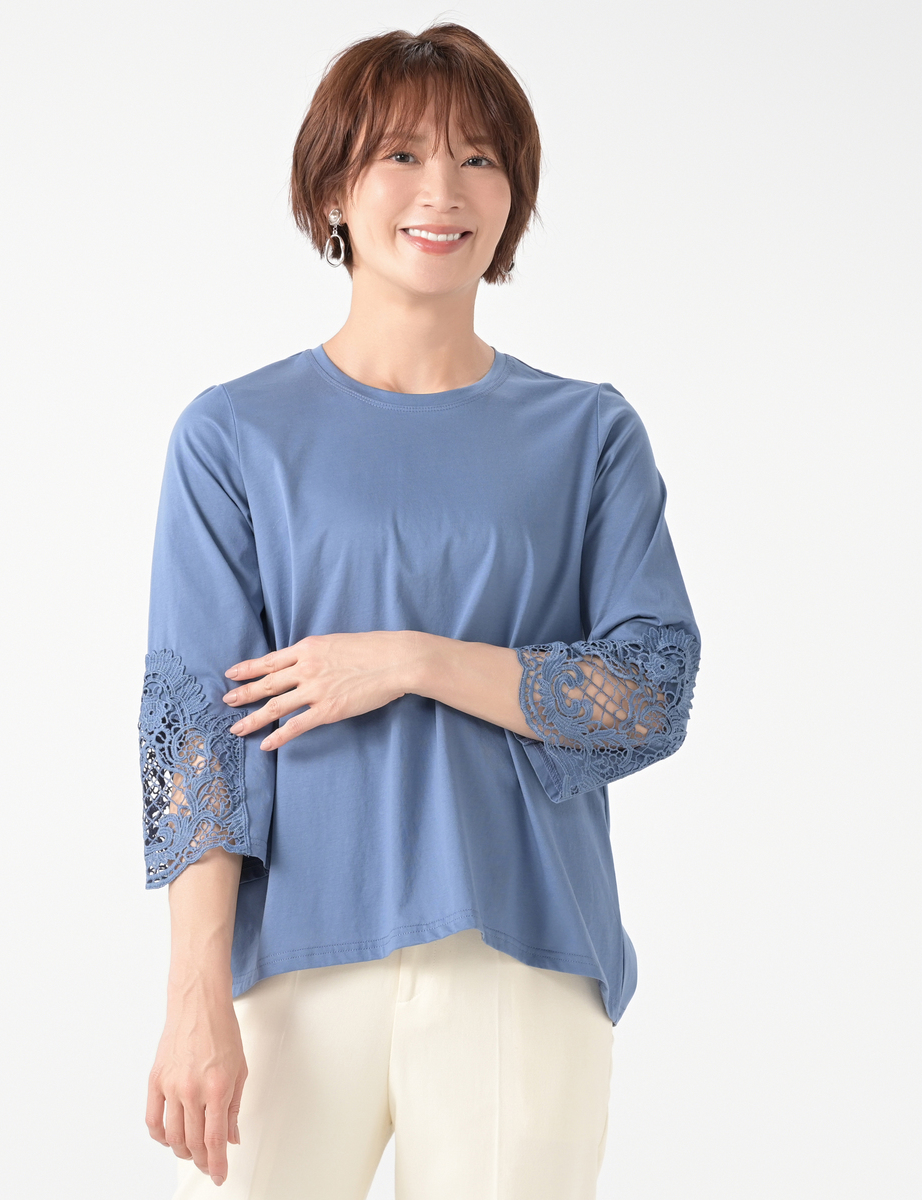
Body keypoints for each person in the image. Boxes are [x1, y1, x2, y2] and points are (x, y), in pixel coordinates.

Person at [139, 22, 700, 1200]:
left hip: (520, 953)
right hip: (292, 969)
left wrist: (411, 659)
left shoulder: (588, 435)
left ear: (514, 198)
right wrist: (193, 999)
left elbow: (649, 692)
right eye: (401, 154)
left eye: (480, 159)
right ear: (333, 189)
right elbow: (197, 739)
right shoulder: (234, 437)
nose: (443, 190)